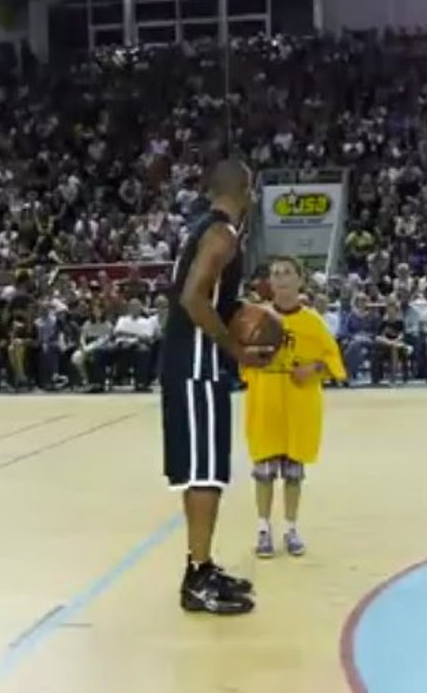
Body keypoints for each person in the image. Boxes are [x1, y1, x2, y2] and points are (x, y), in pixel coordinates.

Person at [160, 159, 272, 616]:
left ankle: (201, 566)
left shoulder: (206, 228)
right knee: (205, 473)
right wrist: (236, 348)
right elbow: (192, 298)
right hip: (196, 366)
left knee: (204, 471)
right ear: (245, 190)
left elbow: (210, 297)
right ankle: (197, 579)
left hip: (192, 364)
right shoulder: (222, 235)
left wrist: (241, 308)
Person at [241, 256, 347, 558]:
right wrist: (258, 354)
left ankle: (291, 528)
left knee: (293, 472)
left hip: (299, 404)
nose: (281, 279)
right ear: (269, 282)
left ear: (300, 280)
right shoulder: (257, 317)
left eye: (287, 273)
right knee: (263, 471)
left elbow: (334, 362)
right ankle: (263, 528)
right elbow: (242, 360)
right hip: (266, 402)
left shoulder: (313, 321)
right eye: (275, 274)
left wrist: (313, 369)